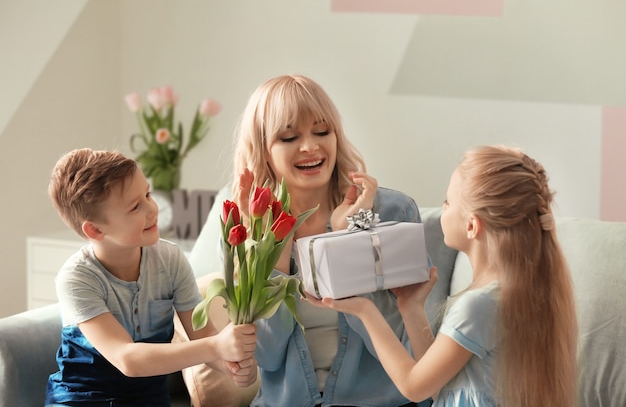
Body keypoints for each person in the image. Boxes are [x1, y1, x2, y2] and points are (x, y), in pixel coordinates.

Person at [311, 145, 579, 407]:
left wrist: (366, 310)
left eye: (448, 202)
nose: (443, 208)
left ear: (472, 225)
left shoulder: (478, 306)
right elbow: (436, 384)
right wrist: (412, 308)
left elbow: (414, 387)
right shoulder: (508, 293)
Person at [230, 74, 426, 407]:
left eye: (322, 132)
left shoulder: (394, 212)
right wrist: (272, 249)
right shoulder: (250, 229)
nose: (310, 147)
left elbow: (406, 347)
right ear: (264, 150)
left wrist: (347, 240)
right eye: (289, 137)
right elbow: (268, 355)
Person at [45, 148, 257, 407]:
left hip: (148, 399)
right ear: (95, 229)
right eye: (135, 207)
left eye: (147, 194)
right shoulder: (76, 279)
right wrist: (216, 347)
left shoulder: (171, 260)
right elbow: (128, 359)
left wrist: (234, 366)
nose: (152, 209)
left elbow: (203, 337)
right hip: (82, 398)